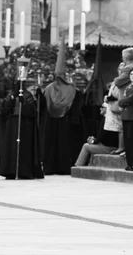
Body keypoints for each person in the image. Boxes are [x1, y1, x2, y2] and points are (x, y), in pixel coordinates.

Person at [43, 37, 83, 175]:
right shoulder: (73, 90)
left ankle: (50, 166)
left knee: (51, 144)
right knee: (64, 145)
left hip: (51, 123)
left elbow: (44, 107)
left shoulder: (48, 89)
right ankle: (63, 167)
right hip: (66, 122)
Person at [0, 82, 44, 179]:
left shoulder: (28, 95)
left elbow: (33, 111)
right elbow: (4, 110)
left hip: (24, 125)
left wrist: (24, 103)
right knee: (11, 148)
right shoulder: (11, 94)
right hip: (12, 125)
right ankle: (10, 171)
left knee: (24, 148)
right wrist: (11, 100)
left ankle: (24, 171)